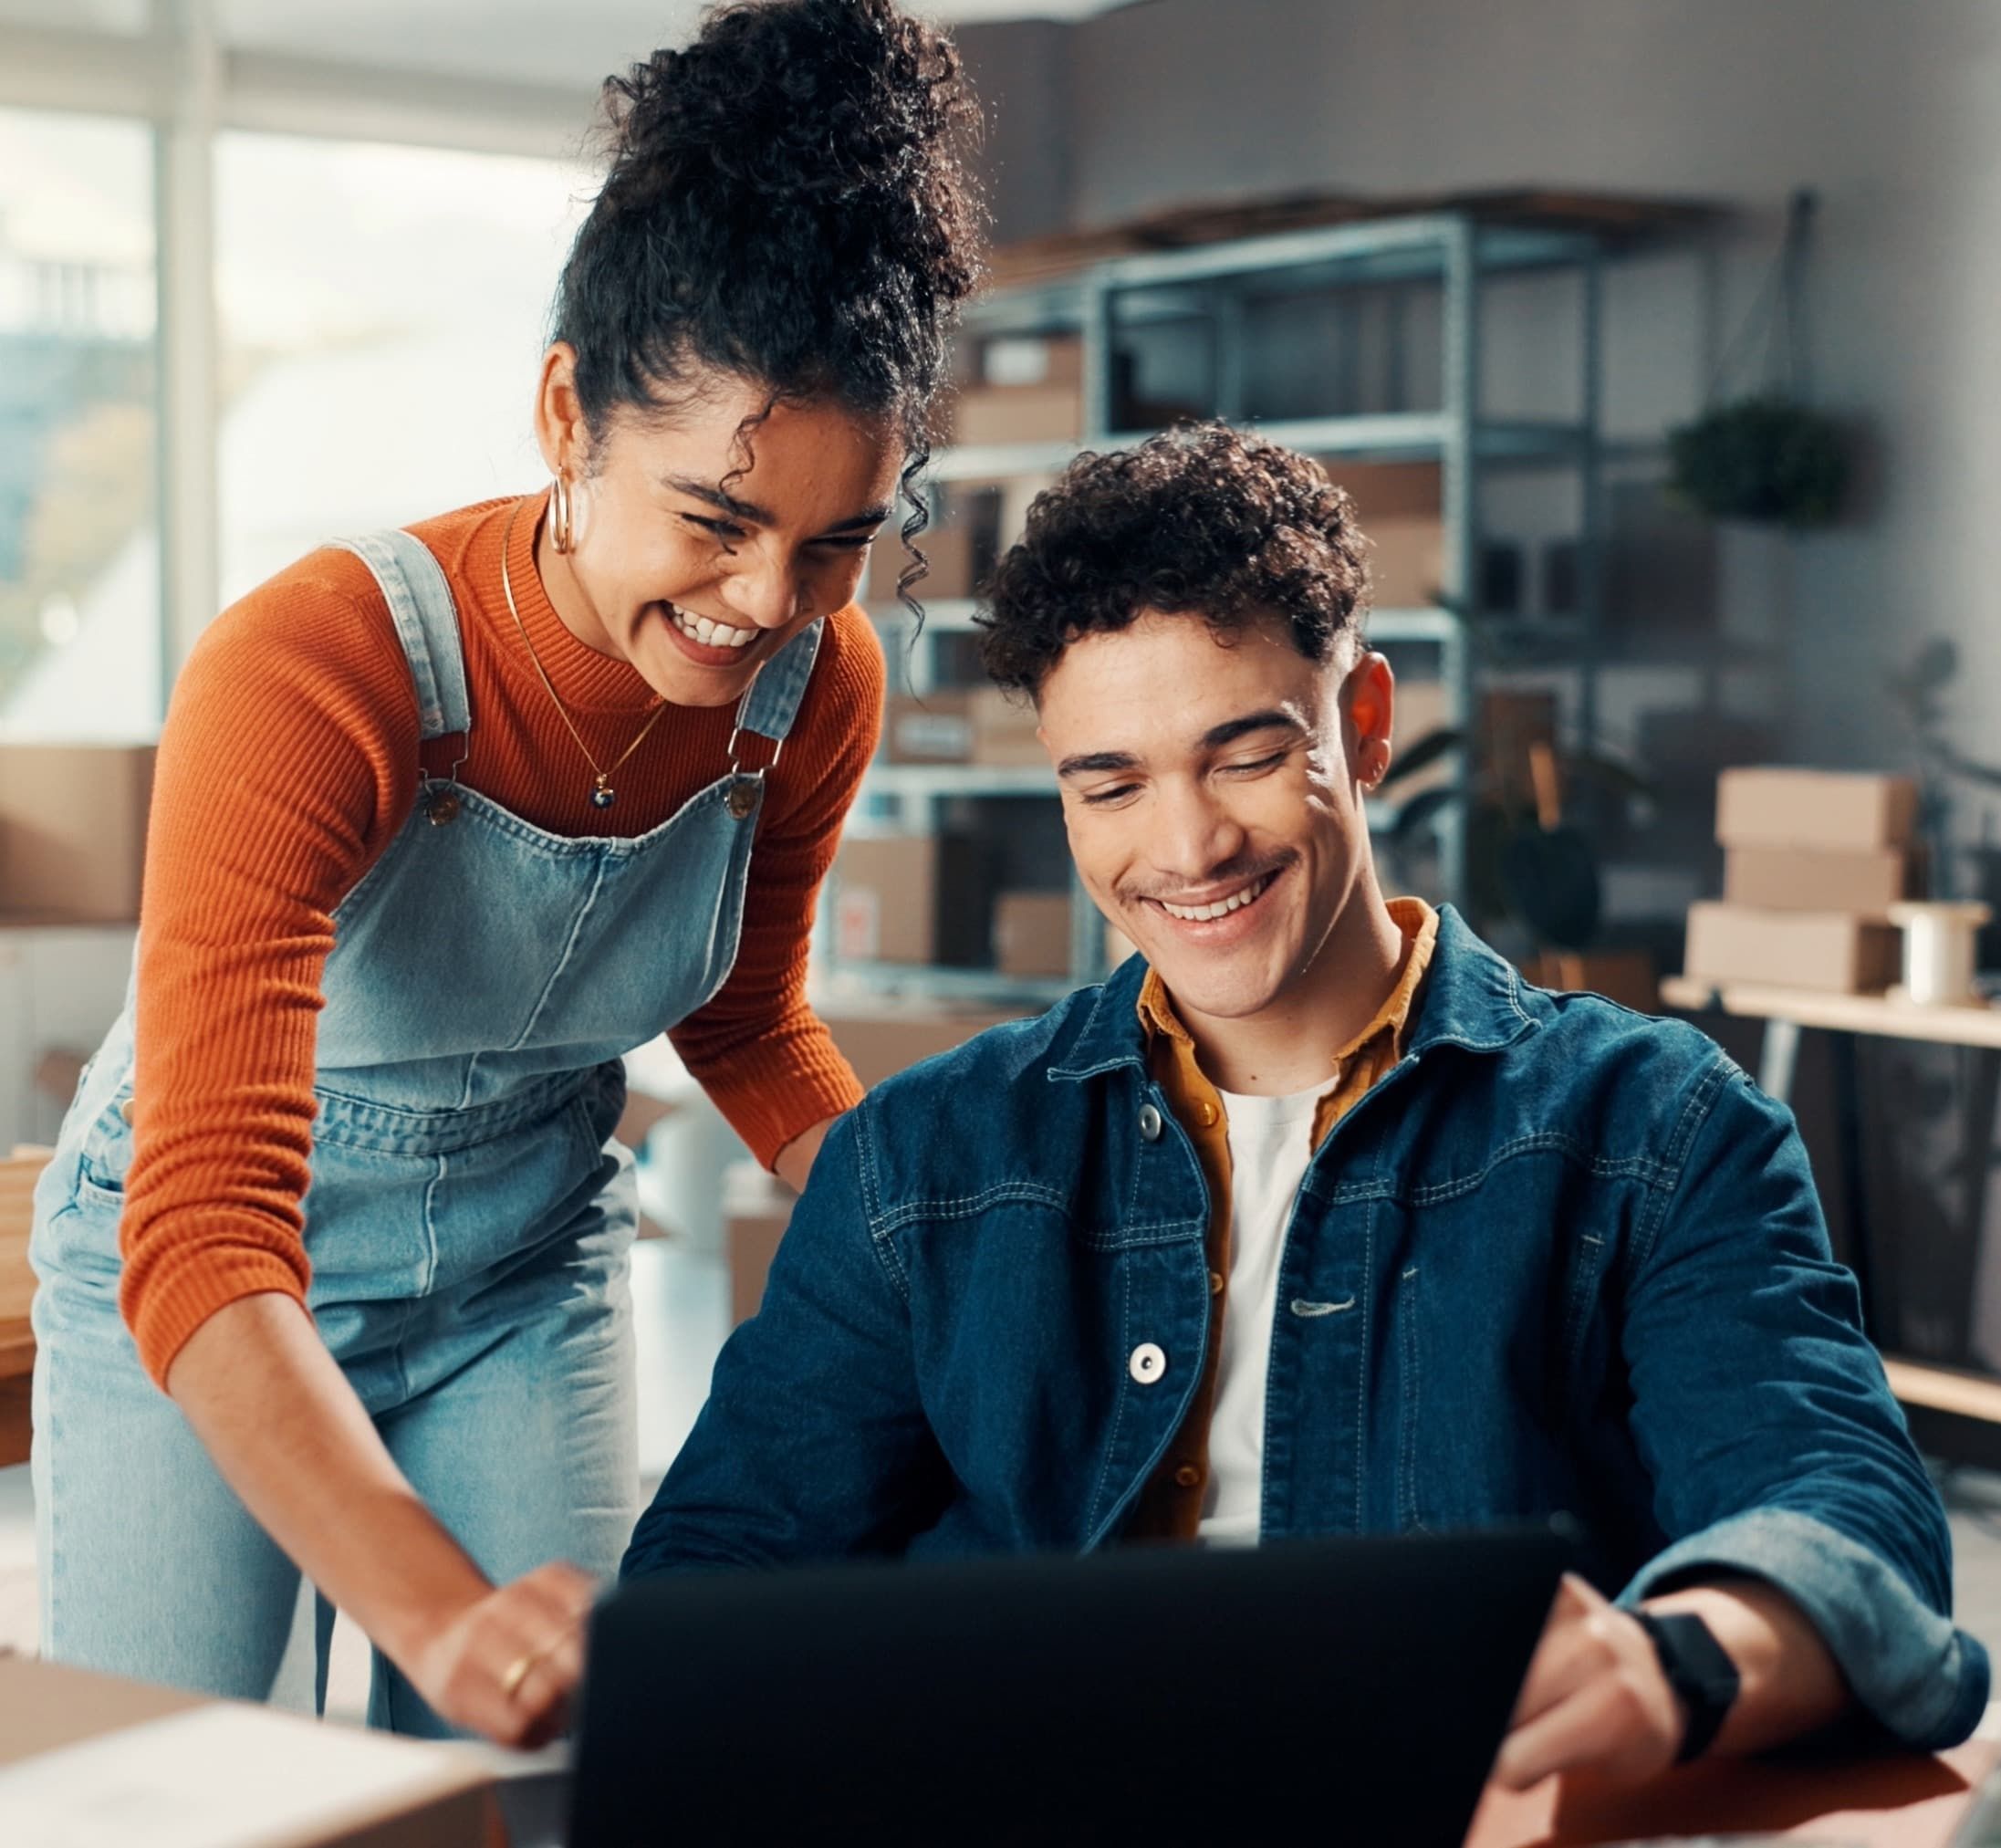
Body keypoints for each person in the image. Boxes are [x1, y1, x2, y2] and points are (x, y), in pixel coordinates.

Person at [625, 423, 1988, 1787]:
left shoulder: (1656, 1129)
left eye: (1244, 754)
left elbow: (1843, 1515)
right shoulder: (917, 1160)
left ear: (1369, 722)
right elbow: (714, 1572)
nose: (1186, 846)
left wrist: (1671, 1662)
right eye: (1109, 783)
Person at [30, 0, 982, 1747]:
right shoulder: (317, 667)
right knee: (171, 1787)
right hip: (221, 1269)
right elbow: (207, 1229)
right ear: (567, 414)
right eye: (714, 517)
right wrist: (436, 1607)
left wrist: (937, 1243)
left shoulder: (813, 688)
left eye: (837, 541)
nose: (768, 601)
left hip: (519, 1269)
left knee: (545, 1771)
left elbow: (753, 1023)